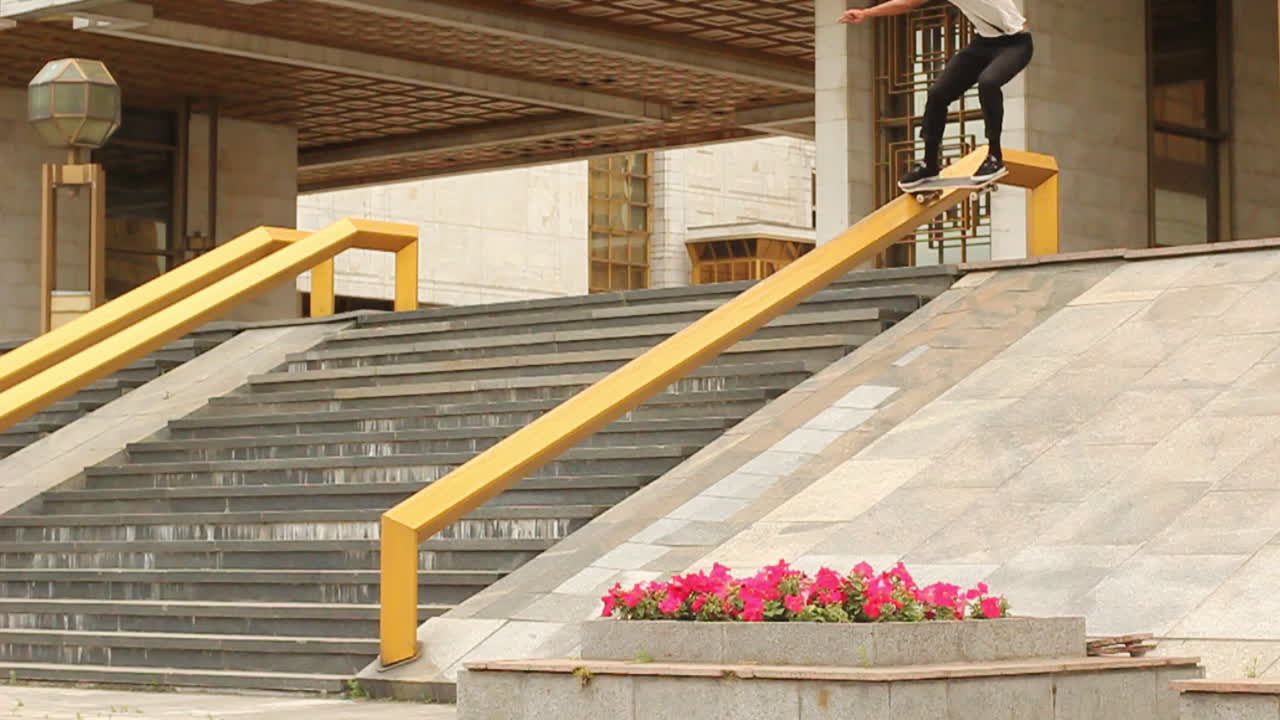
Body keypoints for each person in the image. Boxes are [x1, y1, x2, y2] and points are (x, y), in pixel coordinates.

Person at [839, 0, 1033, 190]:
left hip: (1016, 45)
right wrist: (865, 14)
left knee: (988, 83)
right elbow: (906, 3)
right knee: (937, 93)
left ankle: (994, 156)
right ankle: (929, 163)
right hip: (982, 45)